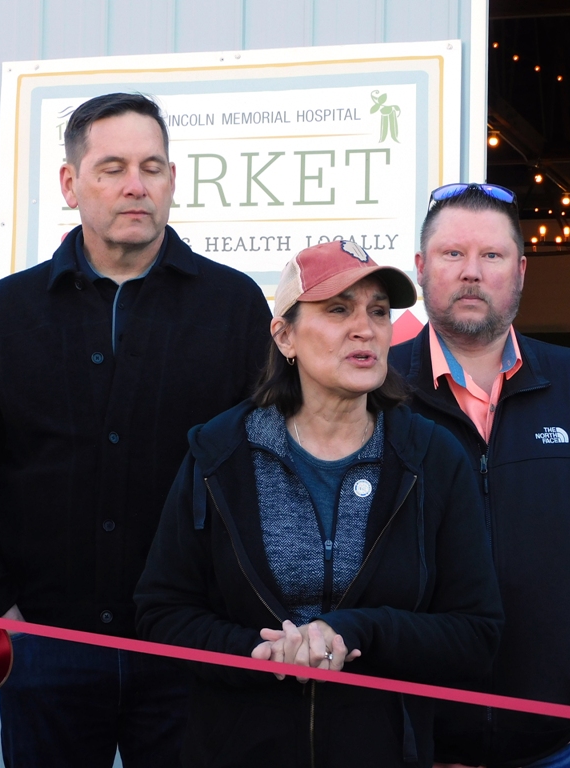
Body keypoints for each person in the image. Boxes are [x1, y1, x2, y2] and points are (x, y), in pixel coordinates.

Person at [0, 92, 272, 767]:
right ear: (70, 183)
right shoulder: (9, 312)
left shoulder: (233, 306)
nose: (135, 185)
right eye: (112, 168)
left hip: (190, 649)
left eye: (152, 167)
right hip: (46, 649)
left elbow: (268, 468)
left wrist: (236, 615)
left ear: (172, 180)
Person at [136, 239, 503, 768]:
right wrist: (259, 652)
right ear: (284, 336)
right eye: (337, 310)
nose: (365, 329)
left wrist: (358, 630)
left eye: (379, 311)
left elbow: (476, 632)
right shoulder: (219, 454)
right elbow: (163, 612)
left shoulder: (432, 457)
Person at [389, 183, 570, 768]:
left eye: (492, 255)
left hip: (548, 737)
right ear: (420, 267)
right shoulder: (378, 392)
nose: (471, 272)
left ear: (520, 270)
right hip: (411, 737)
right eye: (452, 253)